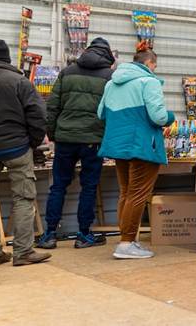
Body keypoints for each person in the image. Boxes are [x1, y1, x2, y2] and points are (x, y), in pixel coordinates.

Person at [97, 43, 174, 260]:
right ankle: (126, 243)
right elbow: (158, 117)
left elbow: (100, 113)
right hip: (142, 144)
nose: (155, 69)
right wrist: (171, 117)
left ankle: (128, 239)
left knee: (126, 192)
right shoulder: (148, 82)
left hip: (118, 145)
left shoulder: (111, 84)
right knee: (138, 194)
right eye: (155, 65)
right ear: (149, 63)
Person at [37, 38, 115, 250]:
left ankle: (49, 234)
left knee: (59, 185)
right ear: (108, 55)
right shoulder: (109, 76)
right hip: (92, 140)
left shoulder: (68, 72)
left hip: (65, 138)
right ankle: (83, 235)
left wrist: (53, 134)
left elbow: (52, 106)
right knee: (88, 187)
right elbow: (112, 111)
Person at [0, 39, 50, 267]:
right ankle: (22, 252)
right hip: (17, 148)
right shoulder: (20, 81)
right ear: (7, 60)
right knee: (23, 198)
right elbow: (38, 115)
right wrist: (32, 142)